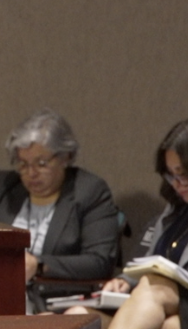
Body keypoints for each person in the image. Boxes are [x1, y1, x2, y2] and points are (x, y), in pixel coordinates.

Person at [0, 108, 121, 313]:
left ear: (65, 157)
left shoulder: (89, 191)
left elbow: (99, 261)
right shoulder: (1, 187)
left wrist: (39, 265)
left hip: (54, 304)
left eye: (41, 164)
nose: (31, 173)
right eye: (23, 164)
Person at [65, 118, 188, 328]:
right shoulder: (174, 211)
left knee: (161, 303)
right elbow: (150, 262)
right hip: (157, 304)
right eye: (171, 175)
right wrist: (125, 281)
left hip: (170, 301)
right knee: (78, 315)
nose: (177, 184)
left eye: (183, 174)